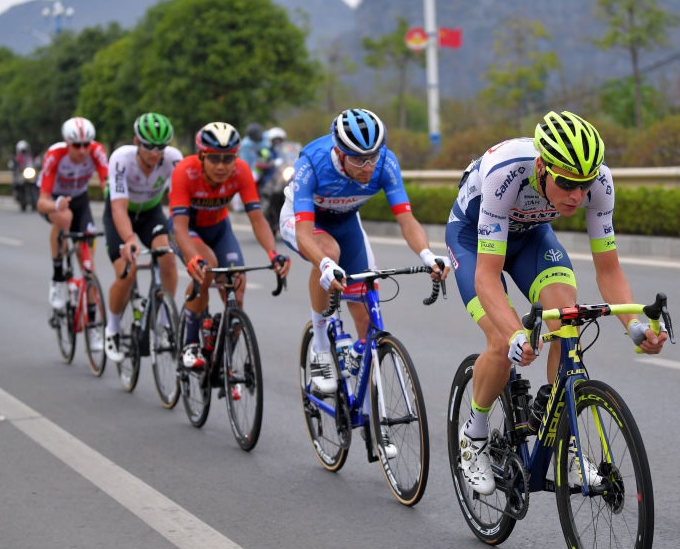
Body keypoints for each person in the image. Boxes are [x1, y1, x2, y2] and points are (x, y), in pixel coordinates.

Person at [444, 110, 668, 495]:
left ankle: (569, 446)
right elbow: (486, 276)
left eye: (585, 185)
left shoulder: (600, 183)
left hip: (532, 238)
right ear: (542, 167)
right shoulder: (505, 174)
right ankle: (474, 435)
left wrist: (633, 324)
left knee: (567, 321)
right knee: (500, 341)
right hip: (473, 242)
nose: (577, 196)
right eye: (566, 184)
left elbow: (610, 272)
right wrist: (515, 332)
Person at [278, 107, 448, 397]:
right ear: (340, 152)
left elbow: (407, 220)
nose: (368, 166)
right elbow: (306, 234)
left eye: (374, 156)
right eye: (359, 158)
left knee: (367, 318)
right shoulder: (313, 162)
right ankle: (320, 349)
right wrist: (324, 264)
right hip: (303, 221)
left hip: (346, 222)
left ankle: (368, 407)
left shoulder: (386, 163)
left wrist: (427, 255)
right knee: (328, 251)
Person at [169, 121, 290, 370]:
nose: (222, 166)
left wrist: (273, 253)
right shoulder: (185, 170)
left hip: (219, 229)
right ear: (201, 156)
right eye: (214, 159)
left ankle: (224, 364)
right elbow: (179, 227)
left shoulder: (241, 171)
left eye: (228, 158)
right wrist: (192, 259)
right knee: (207, 268)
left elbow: (257, 219)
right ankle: (189, 344)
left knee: (238, 285)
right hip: (189, 230)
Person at [102, 113, 184, 363]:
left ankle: (162, 327)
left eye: (161, 147)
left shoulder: (173, 159)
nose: (155, 153)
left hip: (150, 213)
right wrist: (129, 239)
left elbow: (180, 201)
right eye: (149, 146)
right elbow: (118, 208)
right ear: (137, 141)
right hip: (121, 212)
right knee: (128, 271)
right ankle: (113, 329)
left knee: (168, 259)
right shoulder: (121, 159)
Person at [36, 117, 110, 350]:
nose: (82, 150)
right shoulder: (55, 155)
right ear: (67, 143)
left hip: (80, 200)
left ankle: (94, 327)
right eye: (76, 146)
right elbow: (41, 202)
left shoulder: (97, 151)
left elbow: (107, 183)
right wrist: (57, 206)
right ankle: (58, 277)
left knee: (88, 265)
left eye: (86, 144)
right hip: (55, 201)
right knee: (65, 218)